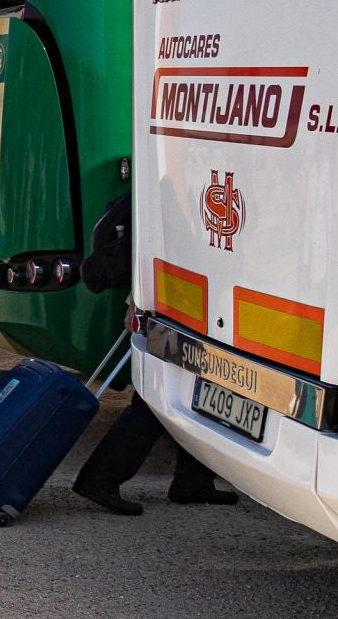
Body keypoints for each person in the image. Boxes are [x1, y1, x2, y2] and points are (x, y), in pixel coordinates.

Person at [71, 193, 238, 514]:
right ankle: (101, 477)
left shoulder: (168, 184)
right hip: (178, 307)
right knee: (156, 400)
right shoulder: (178, 186)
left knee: (196, 392)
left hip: (178, 304)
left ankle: (193, 480)